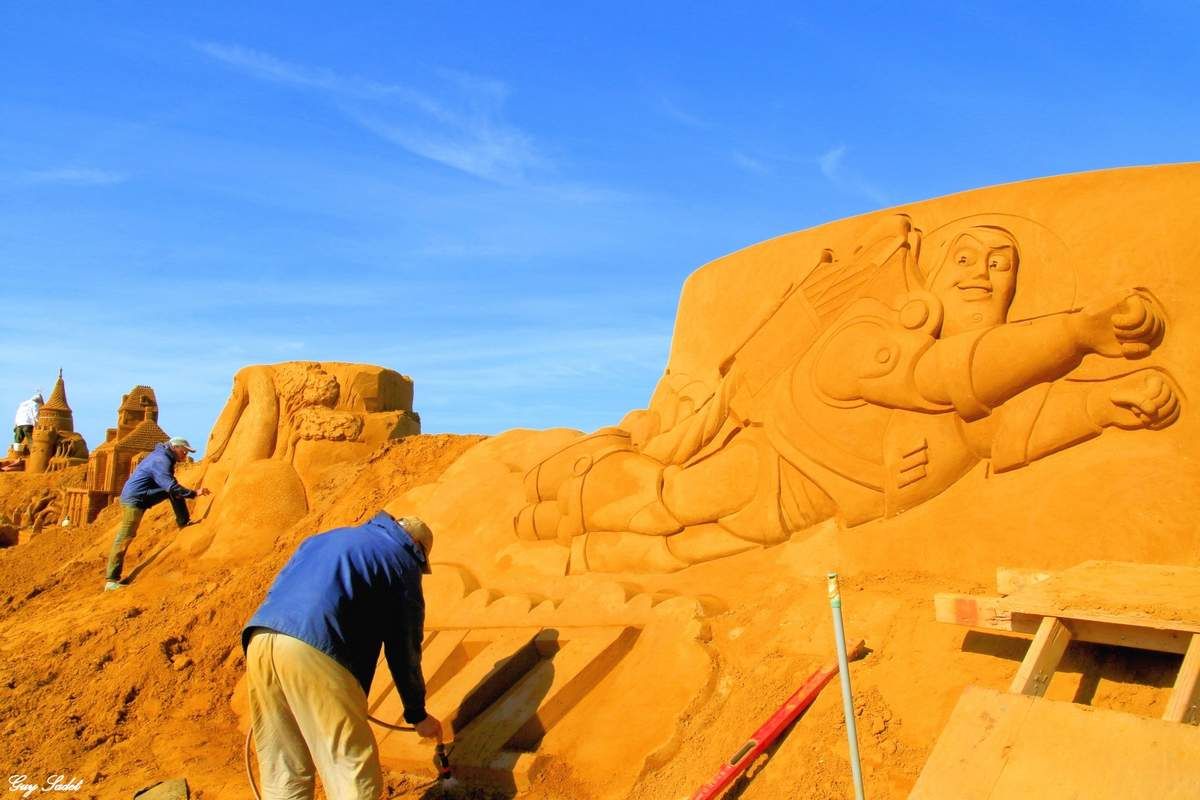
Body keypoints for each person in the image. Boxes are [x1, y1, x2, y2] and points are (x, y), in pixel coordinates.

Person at [242, 510, 443, 800]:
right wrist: (417, 714)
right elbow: (404, 647)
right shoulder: (402, 562)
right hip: (316, 648)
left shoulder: (324, 539)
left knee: (283, 762)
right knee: (349, 764)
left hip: (261, 637)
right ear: (417, 548)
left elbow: (280, 588)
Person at [104, 436, 211, 591]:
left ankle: (183, 522)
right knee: (125, 536)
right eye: (184, 451)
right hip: (134, 499)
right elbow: (171, 486)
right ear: (175, 447)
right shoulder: (161, 460)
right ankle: (111, 580)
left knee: (173, 492)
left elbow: (171, 488)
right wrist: (194, 493)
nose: (185, 455)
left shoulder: (163, 456)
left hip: (141, 495)